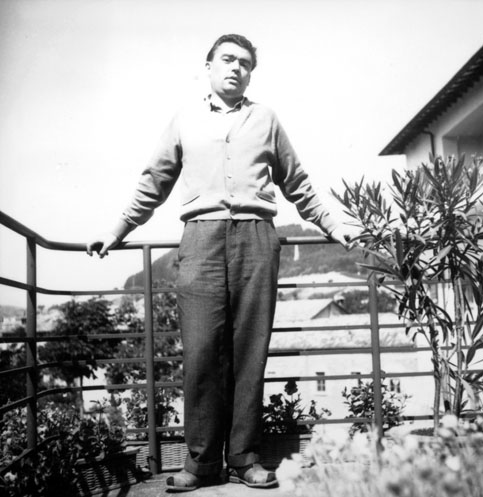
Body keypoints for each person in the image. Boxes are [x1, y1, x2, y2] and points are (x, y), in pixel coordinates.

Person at [87, 33, 348, 492]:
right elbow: (155, 180)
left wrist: (332, 225)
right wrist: (117, 231)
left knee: (250, 351)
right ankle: (202, 463)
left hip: (256, 238)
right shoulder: (184, 119)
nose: (236, 68)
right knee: (202, 351)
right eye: (228, 59)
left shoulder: (266, 119)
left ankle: (244, 458)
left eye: (245, 63)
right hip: (201, 240)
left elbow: (297, 182)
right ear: (208, 67)